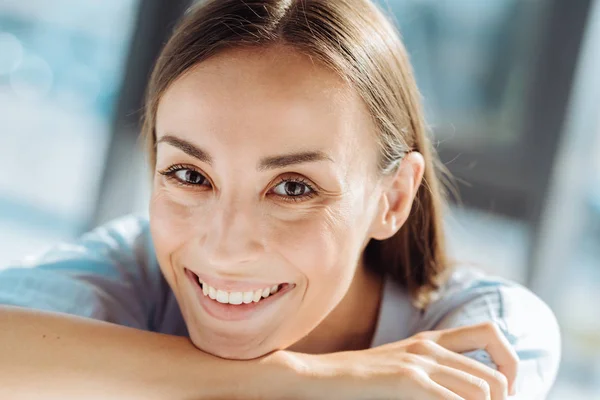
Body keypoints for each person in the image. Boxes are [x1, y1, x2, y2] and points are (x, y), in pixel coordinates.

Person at [0, 0, 560, 398]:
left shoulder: (486, 330)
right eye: (190, 175)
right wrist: (300, 379)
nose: (225, 247)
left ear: (392, 199)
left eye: (292, 187)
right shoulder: (131, 265)